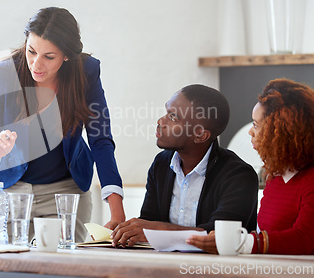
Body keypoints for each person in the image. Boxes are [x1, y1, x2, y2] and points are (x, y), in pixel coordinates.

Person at [0, 7, 125, 242]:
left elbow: (100, 139)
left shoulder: (86, 72)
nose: (36, 64)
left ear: (66, 55)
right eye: (31, 51)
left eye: (49, 56)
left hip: (66, 192)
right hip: (14, 190)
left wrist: (116, 207)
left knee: (65, 269)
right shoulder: (1, 76)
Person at [111, 84, 258, 247]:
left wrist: (158, 229)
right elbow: (148, 222)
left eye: (173, 117)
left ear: (201, 135)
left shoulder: (239, 175)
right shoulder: (161, 164)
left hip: (217, 270)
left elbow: (220, 236)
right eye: (166, 112)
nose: (160, 122)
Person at [188, 78, 314, 255]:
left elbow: (305, 239)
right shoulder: (276, 176)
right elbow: (270, 236)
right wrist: (230, 239)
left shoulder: (310, 180)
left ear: (282, 131)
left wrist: (241, 243)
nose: (250, 131)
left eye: (256, 125)